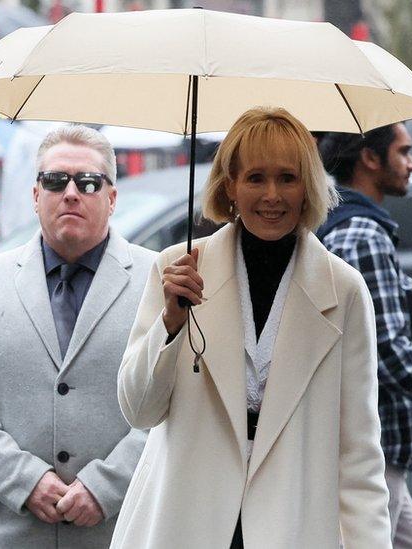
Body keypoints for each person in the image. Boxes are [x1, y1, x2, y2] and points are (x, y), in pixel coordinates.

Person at [111, 107, 391, 549]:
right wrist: (170, 323)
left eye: (288, 177)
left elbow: (358, 451)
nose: (272, 196)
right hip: (183, 519)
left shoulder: (344, 290)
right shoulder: (176, 269)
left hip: (293, 525)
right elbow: (139, 410)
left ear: (308, 188)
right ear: (231, 188)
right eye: (256, 178)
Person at [0, 125, 153, 548]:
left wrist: (106, 486)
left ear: (111, 198)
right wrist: (23, 479)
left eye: (88, 182)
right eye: (55, 181)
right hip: (10, 531)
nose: (71, 192)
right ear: (36, 195)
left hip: (124, 530)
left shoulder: (158, 281)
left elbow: (177, 403)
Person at [317, 124, 412, 548]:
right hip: (371, 447)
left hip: (370, 446)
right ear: (370, 157)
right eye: (403, 152)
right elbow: (383, 346)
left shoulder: (342, 228)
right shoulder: (363, 235)